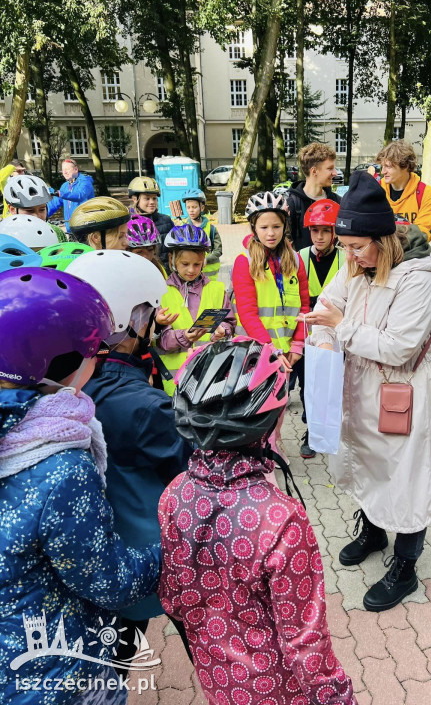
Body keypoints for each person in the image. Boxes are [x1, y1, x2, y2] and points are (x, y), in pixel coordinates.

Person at [158, 338, 358, 705]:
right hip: (277, 687)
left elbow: (172, 598)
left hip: (215, 675)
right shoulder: (282, 519)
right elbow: (305, 642)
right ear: (274, 419)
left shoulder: (174, 494)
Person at [0, 267, 161, 703]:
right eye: (95, 349)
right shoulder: (61, 469)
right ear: (64, 365)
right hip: (51, 671)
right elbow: (111, 582)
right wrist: (175, 546)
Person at [305, 171, 431, 612]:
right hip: (365, 386)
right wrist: (322, 327)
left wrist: (338, 328)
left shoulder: (420, 278)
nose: (347, 256)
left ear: (383, 240)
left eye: (356, 247)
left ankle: (406, 566)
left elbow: (398, 347)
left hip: (406, 392)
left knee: (407, 478)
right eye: (344, 246)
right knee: (367, 461)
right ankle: (372, 531)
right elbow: (330, 301)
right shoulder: (358, 264)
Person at [66, 249, 194, 672]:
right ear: (129, 321)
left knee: (115, 647)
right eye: (147, 314)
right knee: (206, 639)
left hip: (102, 555)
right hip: (156, 552)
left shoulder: (63, 384)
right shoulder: (147, 407)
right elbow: (192, 475)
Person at [232, 191, 310, 375]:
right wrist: (270, 349)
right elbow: (247, 313)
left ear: (285, 226)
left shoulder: (296, 260)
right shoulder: (245, 262)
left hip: (290, 352)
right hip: (256, 352)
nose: (271, 233)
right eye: (264, 227)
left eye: (276, 226)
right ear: (253, 228)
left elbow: (304, 306)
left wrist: (299, 343)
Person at [157, 224, 235, 396]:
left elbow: (229, 322)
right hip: (175, 381)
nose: (191, 270)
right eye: (185, 264)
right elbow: (159, 339)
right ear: (172, 259)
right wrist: (184, 337)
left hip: (212, 377)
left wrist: (223, 331)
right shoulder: (160, 292)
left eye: (197, 264)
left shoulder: (216, 289)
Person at [294, 198, 345, 459]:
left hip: (338, 331)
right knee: (308, 384)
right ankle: (312, 430)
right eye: (315, 230)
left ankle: (339, 430)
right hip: (307, 332)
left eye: (326, 230)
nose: (320, 236)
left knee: (338, 382)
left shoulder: (347, 258)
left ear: (335, 232)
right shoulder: (300, 257)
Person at [376, 140, 431, 242]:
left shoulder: (426, 193)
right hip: (382, 252)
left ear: (405, 166)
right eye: (382, 166)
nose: (383, 172)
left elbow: (424, 232)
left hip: (412, 254)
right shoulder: (376, 190)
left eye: (388, 166)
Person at [287, 142, 341, 251]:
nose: (335, 173)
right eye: (330, 168)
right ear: (314, 171)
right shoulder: (292, 204)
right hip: (302, 266)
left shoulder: (337, 202)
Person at [3, 173, 66, 242]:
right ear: (12, 210)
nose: (37, 216)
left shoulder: (56, 233)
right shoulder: (5, 236)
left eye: (42, 210)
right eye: (30, 211)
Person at [128, 176, 173, 267]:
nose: (152, 202)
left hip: (164, 272)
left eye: (154, 198)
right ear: (135, 199)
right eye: (147, 198)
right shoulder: (127, 223)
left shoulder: (166, 221)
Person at [181, 189, 222, 281]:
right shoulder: (183, 228)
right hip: (191, 273)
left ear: (202, 208)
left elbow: (218, 250)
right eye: (188, 207)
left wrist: (206, 259)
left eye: (194, 207)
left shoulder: (211, 229)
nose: (191, 210)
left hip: (209, 273)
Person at [46, 158, 95, 232]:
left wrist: (59, 193)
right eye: (63, 170)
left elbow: (80, 195)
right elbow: (54, 204)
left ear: (75, 169)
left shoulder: (85, 182)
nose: (64, 172)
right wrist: (40, 216)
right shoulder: (65, 186)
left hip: (85, 227)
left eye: (67, 169)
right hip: (70, 229)